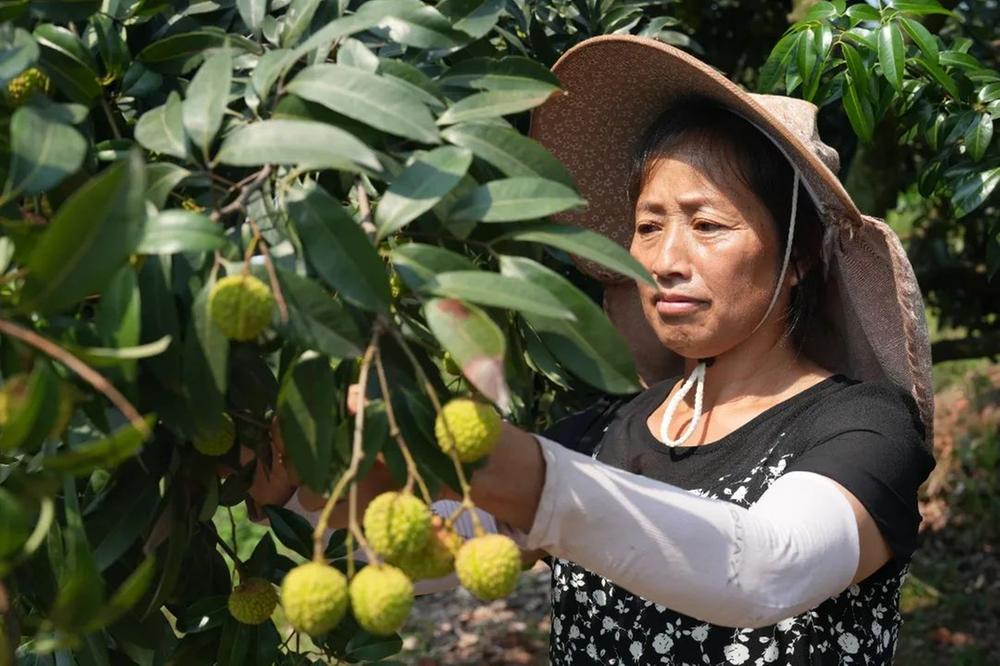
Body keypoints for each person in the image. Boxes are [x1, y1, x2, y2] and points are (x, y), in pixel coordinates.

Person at [252, 36, 937, 665]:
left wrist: (526, 472)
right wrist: (310, 480)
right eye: (647, 226)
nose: (665, 260)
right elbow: (434, 552)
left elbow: (764, 568)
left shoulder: (866, 428)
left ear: (800, 257)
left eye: (707, 224)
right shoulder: (603, 433)